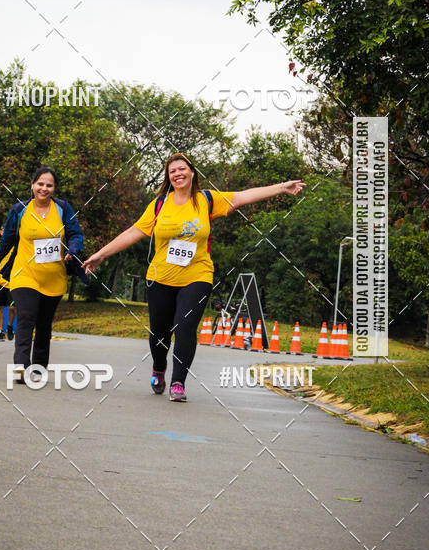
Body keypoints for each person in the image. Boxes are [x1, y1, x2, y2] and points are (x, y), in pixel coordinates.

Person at [83, 153, 305, 402]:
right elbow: (134, 231)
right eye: (172, 171)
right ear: (168, 178)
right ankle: (159, 367)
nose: (177, 174)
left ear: (192, 172)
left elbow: (243, 196)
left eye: (182, 169)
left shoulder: (207, 199)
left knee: (186, 326)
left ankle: (178, 382)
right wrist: (101, 255)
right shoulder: (159, 204)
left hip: (197, 275)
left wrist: (281, 188)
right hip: (160, 277)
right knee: (159, 333)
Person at [0, 166, 84, 380]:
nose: (44, 188)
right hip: (24, 273)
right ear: (32, 185)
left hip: (53, 277)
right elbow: (7, 240)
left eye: (49, 185)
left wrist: (73, 250)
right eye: (40, 184)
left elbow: (75, 234)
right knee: (25, 318)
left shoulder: (63, 208)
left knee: (43, 324)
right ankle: (21, 366)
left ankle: (39, 368)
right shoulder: (19, 209)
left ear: (54, 188)